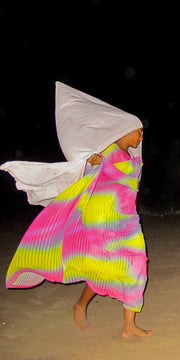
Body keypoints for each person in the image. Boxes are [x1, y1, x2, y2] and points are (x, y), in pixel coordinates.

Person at [2, 82, 152, 338]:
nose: (140, 137)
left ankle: (128, 326)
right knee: (102, 267)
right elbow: (87, 172)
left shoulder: (135, 158)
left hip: (128, 221)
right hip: (102, 219)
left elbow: (130, 188)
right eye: (137, 132)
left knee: (137, 264)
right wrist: (91, 162)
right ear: (123, 131)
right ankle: (81, 306)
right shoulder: (105, 153)